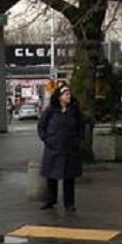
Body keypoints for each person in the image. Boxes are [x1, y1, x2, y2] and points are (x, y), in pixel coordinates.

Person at [36, 84, 84, 212]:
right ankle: (50, 200)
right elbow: (41, 126)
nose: (69, 96)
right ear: (59, 97)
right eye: (66, 94)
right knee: (51, 175)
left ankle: (69, 203)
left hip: (70, 148)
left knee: (69, 177)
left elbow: (81, 127)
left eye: (69, 94)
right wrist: (47, 139)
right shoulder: (50, 110)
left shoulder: (74, 110)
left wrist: (77, 140)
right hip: (53, 148)